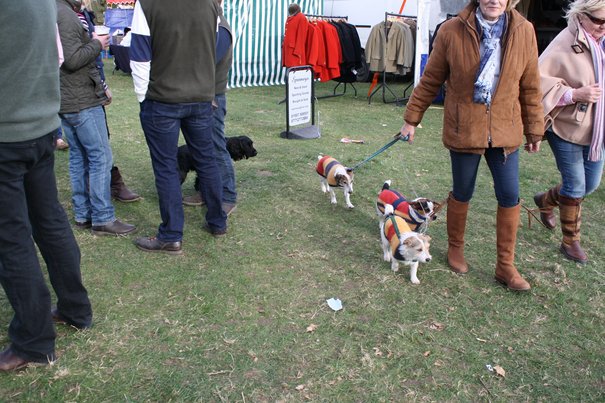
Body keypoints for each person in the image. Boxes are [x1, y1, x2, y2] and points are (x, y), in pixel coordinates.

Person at [399, 0, 544, 291]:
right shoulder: (451, 31)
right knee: (463, 191)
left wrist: (534, 129)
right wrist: (411, 119)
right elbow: (430, 80)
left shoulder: (524, 30)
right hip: (464, 128)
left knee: (510, 194)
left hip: (505, 130)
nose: (494, 0)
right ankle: (455, 247)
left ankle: (505, 265)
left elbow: (530, 85)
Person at [0, 0, 93, 371]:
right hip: (39, 124)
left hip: (9, 131)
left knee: (12, 239)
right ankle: (75, 308)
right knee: (49, 220)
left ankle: (34, 342)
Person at [130, 0, 227, 255]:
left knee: (166, 167)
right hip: (200, 98)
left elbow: (139, 54)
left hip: (162, 100)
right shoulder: (210, 4)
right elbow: (214, 47)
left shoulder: (147, 4)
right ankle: (217, 222)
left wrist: (143, 97)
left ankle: (172, 235)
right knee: (207, 160)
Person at [534, 0, 605, 264]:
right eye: (598, 20)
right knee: (575, 185)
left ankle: (546, 200)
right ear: (582, 16)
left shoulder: (602, 41)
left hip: (597, 128)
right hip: (566, 125)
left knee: (590, 184)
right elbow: (538, 80)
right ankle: (570, 242)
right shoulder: (565, 42)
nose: (602, 27)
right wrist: (574, 93)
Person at [57, 0, 136, 235]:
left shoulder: (58, 11)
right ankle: (102, 217)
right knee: (100, 156)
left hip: (69, 98)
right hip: (80, 99)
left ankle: (83, 214)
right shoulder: (65, 15)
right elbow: (72, 60)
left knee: (79, 156)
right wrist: (97, 44)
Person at [79, 0, 142, 203]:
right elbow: (73, 58)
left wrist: (102, 84)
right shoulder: (63, 14)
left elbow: (94, 60)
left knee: (101, 139)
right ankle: (95, 199)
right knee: (91, 147)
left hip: (92, 86)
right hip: (78, 90)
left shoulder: (85, 15)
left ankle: (112, 183)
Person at [182, 0, 238, 217]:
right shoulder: (206, 25)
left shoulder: (221, 29)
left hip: (211, 97)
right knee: (200, 149)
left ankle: (228, 196)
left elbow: (204, 62)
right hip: (199, 95)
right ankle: (207, 192)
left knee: (215, 147)